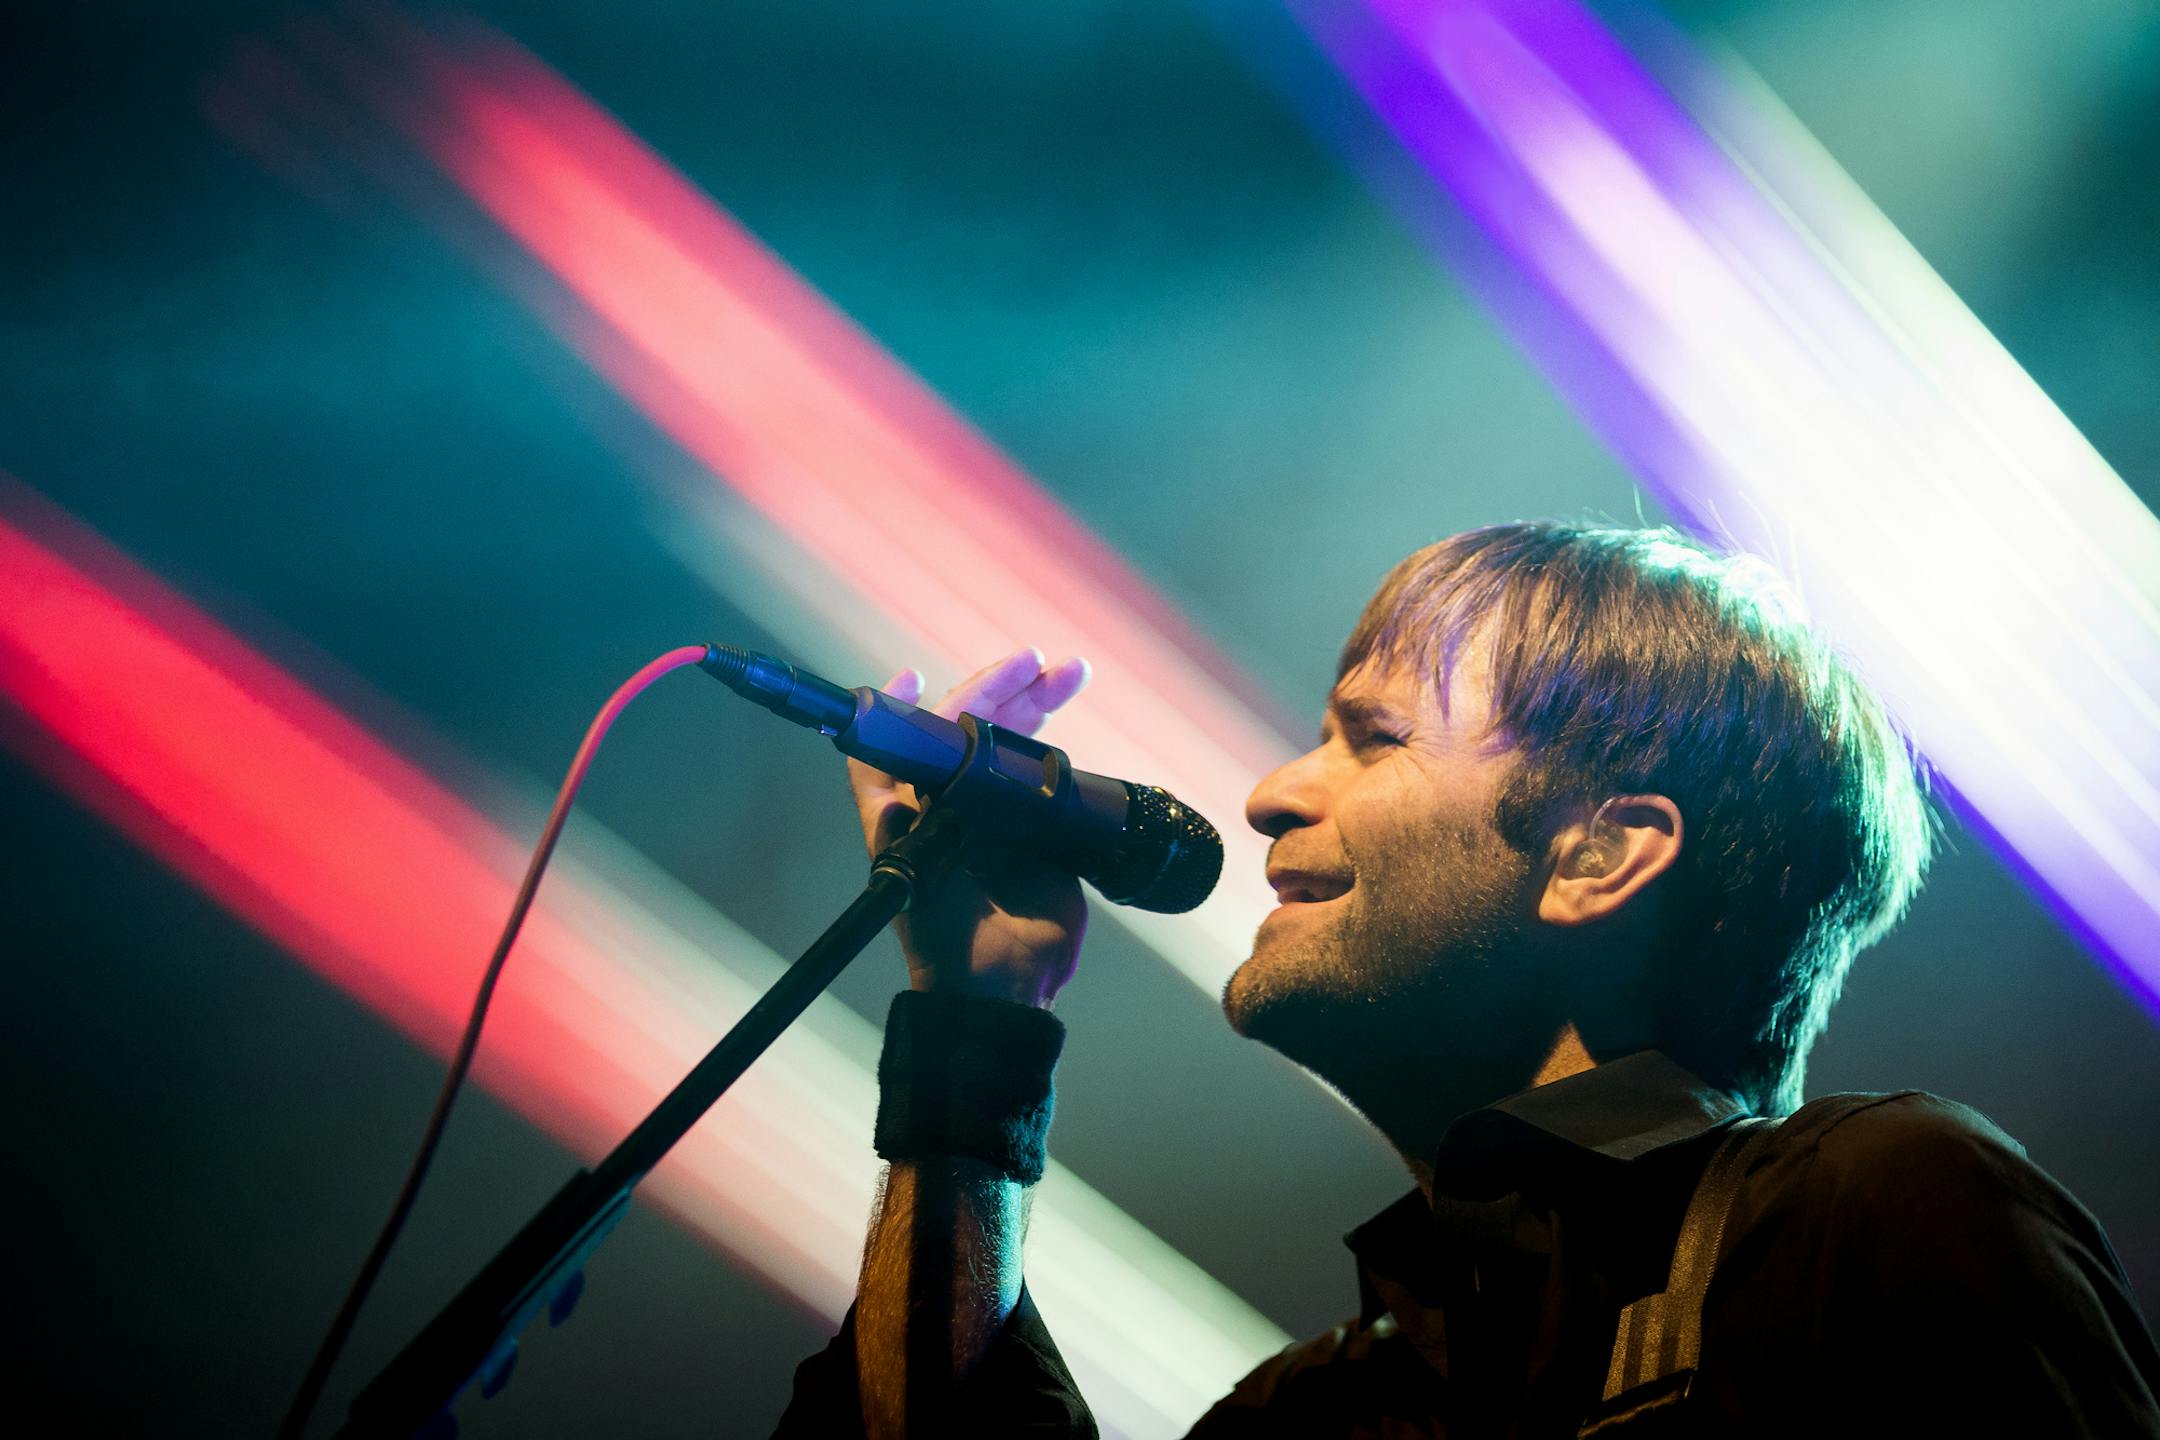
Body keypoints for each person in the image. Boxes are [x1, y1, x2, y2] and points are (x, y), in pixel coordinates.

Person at [775, 522, 2160, 1438]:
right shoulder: (1318, 1416)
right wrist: (975, 1024)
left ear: (1598, 857)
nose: (1270, 793)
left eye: (1371, 737)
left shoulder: (1879, 1221)